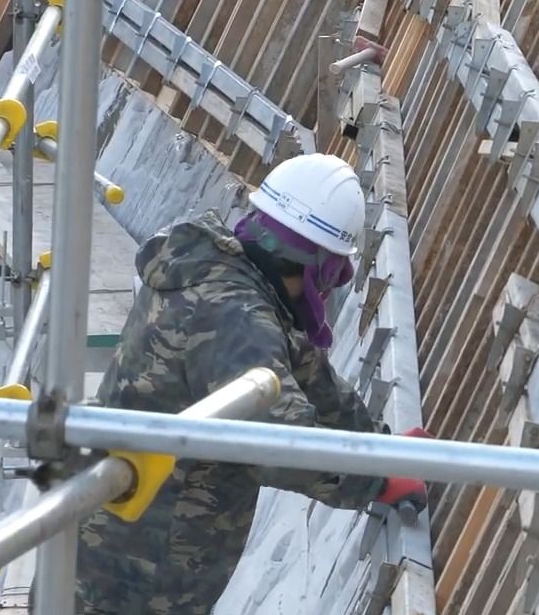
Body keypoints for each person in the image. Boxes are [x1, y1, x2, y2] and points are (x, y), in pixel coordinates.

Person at [75, 153, 427, 615]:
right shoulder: (235, 318)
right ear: (312, 264)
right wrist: (377, 479)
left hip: (125, 544)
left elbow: (304, 374)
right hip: (132, 574)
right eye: (333, 275)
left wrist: (379, 444)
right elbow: (279, 444)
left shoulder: (226, 273)